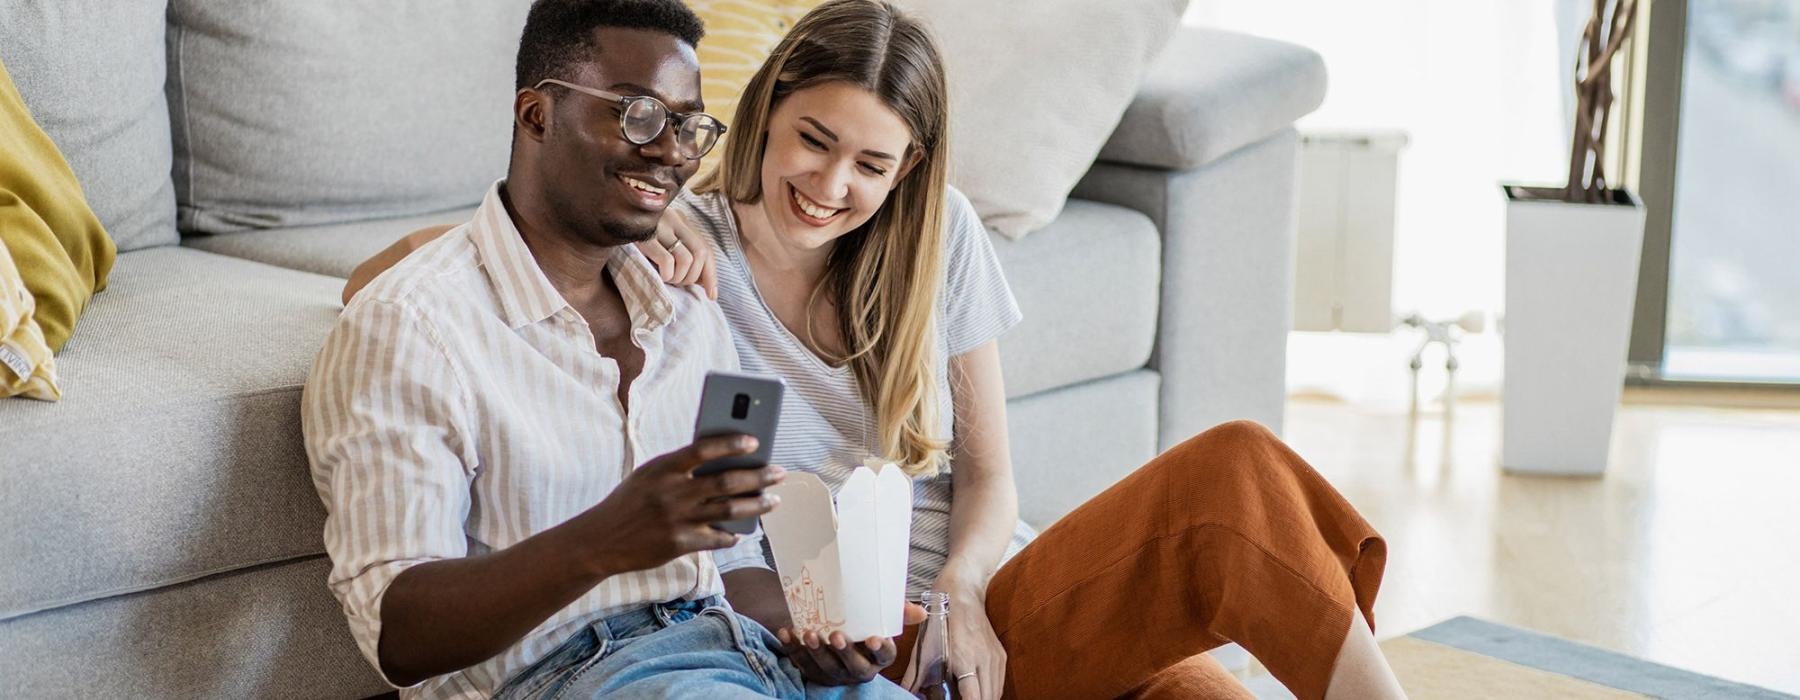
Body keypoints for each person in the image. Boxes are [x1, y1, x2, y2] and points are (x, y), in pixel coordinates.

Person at [345, 2, 1406, 698]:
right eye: (814, 139)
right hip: (848, 630)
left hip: (976, 599)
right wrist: (647, 209)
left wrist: (966, 591)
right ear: (766, 114)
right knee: (1222, 508)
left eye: (873, 164)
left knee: (1199, 669)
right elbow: (411, 274)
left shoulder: (934, 240)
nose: (832, 185)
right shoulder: (679, 256)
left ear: (907, 173)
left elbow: (990, 476)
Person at [303, 1, 921, 698]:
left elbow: (736, 557)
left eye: (688, 126)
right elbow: (398, 636)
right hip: (565, 676)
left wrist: (812, 632)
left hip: (743, 652)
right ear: (537, 116)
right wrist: (602, 540)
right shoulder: (411, 329)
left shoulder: (690, 310)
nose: (671, 151)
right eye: (638, 115)